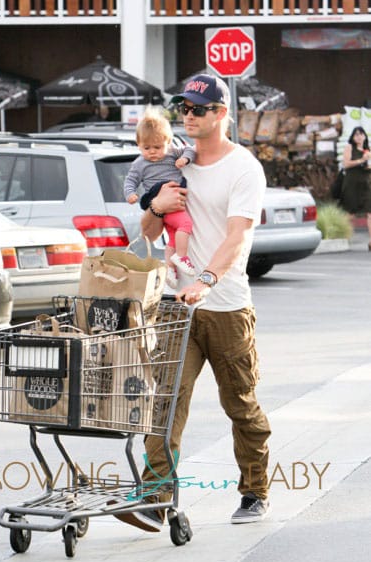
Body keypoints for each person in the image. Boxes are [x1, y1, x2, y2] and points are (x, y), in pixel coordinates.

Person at [116, 74, 271, 531]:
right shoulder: (168, 164)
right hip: (174, 305)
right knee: (164, 401)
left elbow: (239, 235)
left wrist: (205, 278)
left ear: (221, 114)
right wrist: (157, 207)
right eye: (184, 107)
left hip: (225, 307)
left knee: (240, 404)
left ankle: (254, 490)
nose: (189, 114)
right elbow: (144, 234)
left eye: (199, 108)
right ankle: (155, 496)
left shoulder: (243, 168)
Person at [124, 108, 196, 287]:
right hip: (163, 199)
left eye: (157, 147)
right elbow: (130, 180)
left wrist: (184, 160)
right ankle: (181, 256)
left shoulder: (173, 153)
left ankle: (170, 269)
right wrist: (130, 193)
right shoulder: (140, 164)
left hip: (169, 204)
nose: (152, 152)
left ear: (168, 142)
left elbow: (190, 151)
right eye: (146, 148)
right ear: (138, 144)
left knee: (172, 235)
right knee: (185, 225)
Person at [341, 126, 371, 250]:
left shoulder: (368, 150)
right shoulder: (349, 148)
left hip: (366, 183)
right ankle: (343, 237)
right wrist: (361, 160)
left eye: (361, 134)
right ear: (353, 137)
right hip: (352, 183)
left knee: (370, 212)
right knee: (351, 213)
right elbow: (346, 164)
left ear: (365, 136)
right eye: (356, 134)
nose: (359, 136)